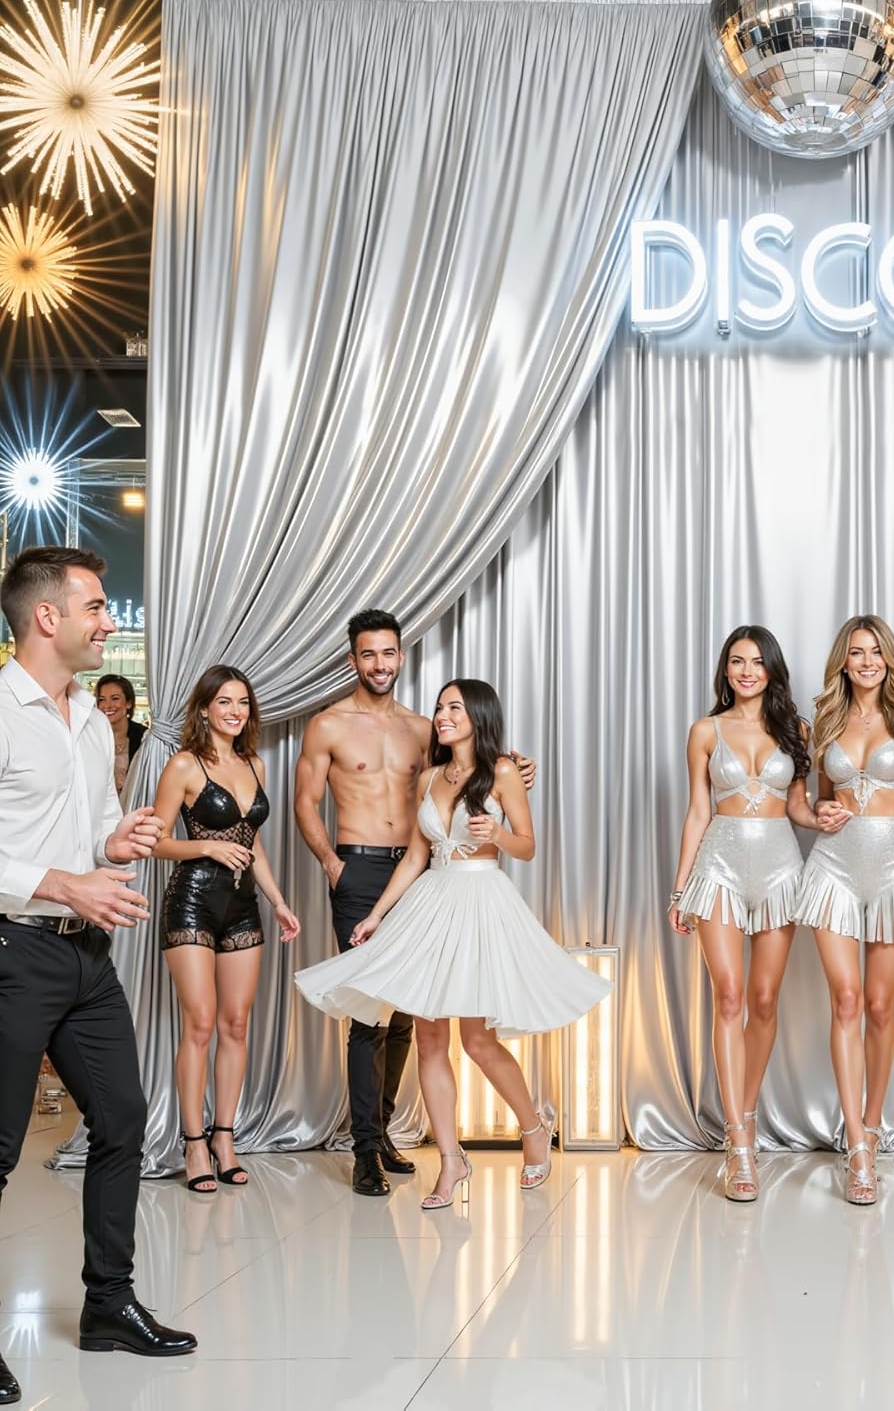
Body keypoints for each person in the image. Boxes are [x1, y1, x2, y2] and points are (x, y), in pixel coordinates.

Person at [0, 547, 196, 1401]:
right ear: (47, 617)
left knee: (122, 1121)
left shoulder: (88, 713)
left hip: (87, 954)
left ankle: (109, 1307)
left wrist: (113, 845)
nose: (109, 622)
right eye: (97, 607)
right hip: (14, 949)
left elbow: (95, 826)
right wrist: (59, 881)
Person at [295, 679, 607, 1208]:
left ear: (478, 715)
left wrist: (498, 836)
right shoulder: (430, 777)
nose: (442, 715)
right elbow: (416, 856)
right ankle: (450, 1161)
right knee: (429, 1039)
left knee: (478, 1041)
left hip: (482, 901)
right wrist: (376, 915)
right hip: (432, 900)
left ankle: (533, 1129)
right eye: (440, 707)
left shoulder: (502, 772)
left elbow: (527, 847)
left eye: (454, 708)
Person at [294, 608, 534, 1196]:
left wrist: (515, 770)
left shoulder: (424, 729)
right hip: (359, 867)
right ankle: (364, 1152)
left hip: (423, 873)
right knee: (368, 1012)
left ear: (401, 657)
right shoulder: (328, 724)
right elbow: (304, 801)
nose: (379, 664)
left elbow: (467, 774)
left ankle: (385, 1134)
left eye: (388, 653)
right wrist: (331, 862)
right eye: (368, 654)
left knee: (410, 1011)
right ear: (353, 659)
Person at [667, 626, 819, 1201]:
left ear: (771, 669)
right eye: (737, 661)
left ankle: (746, 1114)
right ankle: (737, 1144)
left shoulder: (796, 730)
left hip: (780, 868)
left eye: (757, 662)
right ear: (725, 670)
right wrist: (680, 889)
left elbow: (797, 806)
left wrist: (822, 816)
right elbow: (697, 811)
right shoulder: (705, 731)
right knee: (728, 996)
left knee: (763, 1000)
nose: (747, 671)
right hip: (719, 867)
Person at [792, 616, 894, 1206]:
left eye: (876, 651)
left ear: (888, 658)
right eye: (857, 652)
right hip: (833, 867)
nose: (868, 661)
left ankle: (873, 1125)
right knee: (847, 1000)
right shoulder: (825, 719)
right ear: (844, 661)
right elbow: (811, 800)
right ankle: (855, 1145)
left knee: (880, 1005)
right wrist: (816, 813)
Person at [151, 665, 300, 1192]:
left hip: (242, 905)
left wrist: (278, 901)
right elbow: (155, 841)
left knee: (236, 1024)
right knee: (201, 1023)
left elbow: (253, 844)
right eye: (224, 702)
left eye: (243, 703)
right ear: (204, 709)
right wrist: (208, 847)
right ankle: (193, 1144)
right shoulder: (184, 765)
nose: (235, 711)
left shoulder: (255, 763)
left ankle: (224, 1139)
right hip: (191, 902)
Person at [94, 673, 145, 800]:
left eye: (115, 698)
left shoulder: (144, 737)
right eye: (102, 700)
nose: (107, 705)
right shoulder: (91, 735)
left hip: (134, 804)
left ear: (129, 703)